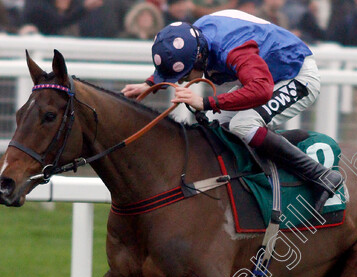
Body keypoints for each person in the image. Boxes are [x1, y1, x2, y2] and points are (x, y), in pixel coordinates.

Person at [121, 11, 343, 211]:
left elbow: (261, 90)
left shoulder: (234, 49)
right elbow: (175, 58)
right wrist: (150, 83)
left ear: (198, 58)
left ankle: (321, 175)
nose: (181, 81)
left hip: (295, 75)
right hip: (267, 74)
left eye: (185, 75)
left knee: (242, 124)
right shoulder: (195, 38)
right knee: (212, 123)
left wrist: (206, 102)